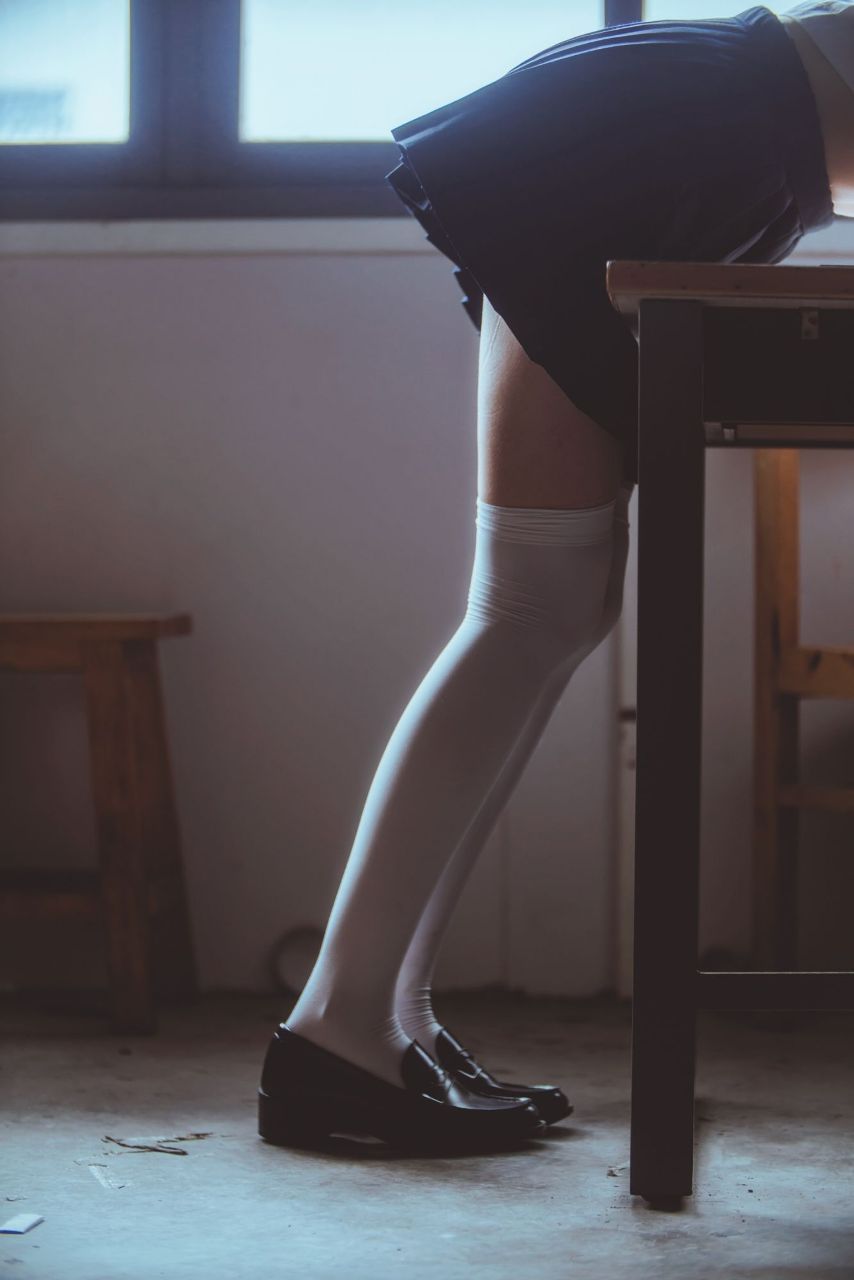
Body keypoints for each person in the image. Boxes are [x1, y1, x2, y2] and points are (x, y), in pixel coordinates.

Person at [258, 2, 849, 1151]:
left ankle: (385, 1016)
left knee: (550, 600)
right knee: (533, 603)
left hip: (682, 134)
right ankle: (336, 1027)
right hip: (680, 137)